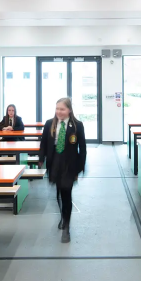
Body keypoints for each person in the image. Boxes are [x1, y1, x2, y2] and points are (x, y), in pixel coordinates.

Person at [38, 97, 87, 244]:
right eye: (57, 108)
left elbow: (83, 149)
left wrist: (79, 169)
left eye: (62, 109)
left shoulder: (77, 125)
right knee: (59, 192)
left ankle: (66, 227)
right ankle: (63, 216)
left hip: (69, 164)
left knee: (67, 194)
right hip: (54, 163)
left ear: (69, 110)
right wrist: (41, 159)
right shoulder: (49, 124)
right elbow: (43, 143)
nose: (59, 112)